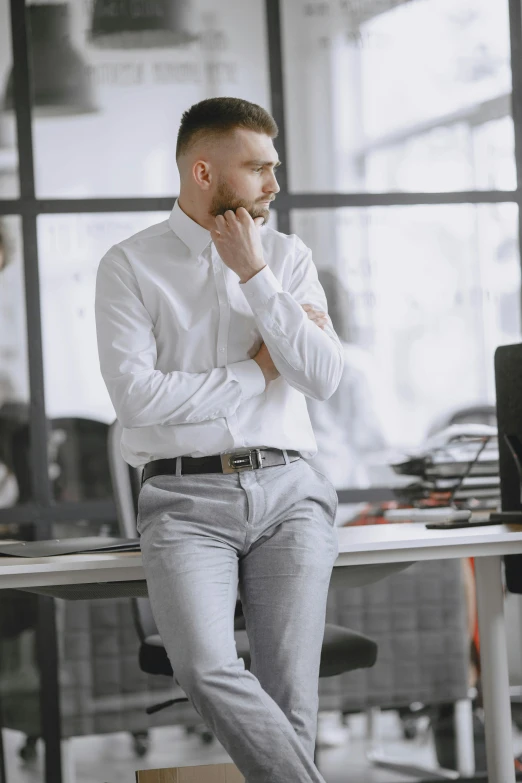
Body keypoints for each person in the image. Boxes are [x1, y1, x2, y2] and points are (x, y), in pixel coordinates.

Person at [95, 97, 343, 783]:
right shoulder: (130, 266)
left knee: (290, 699)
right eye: (258, 167)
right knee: (205, 667)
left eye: (275, 167)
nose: (273, 183)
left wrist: (257, 279)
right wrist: (255, 370)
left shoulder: (287, 259)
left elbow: (321, 377)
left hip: (291, 490)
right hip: (182, 498)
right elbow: (136, 399)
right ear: (204, 171)